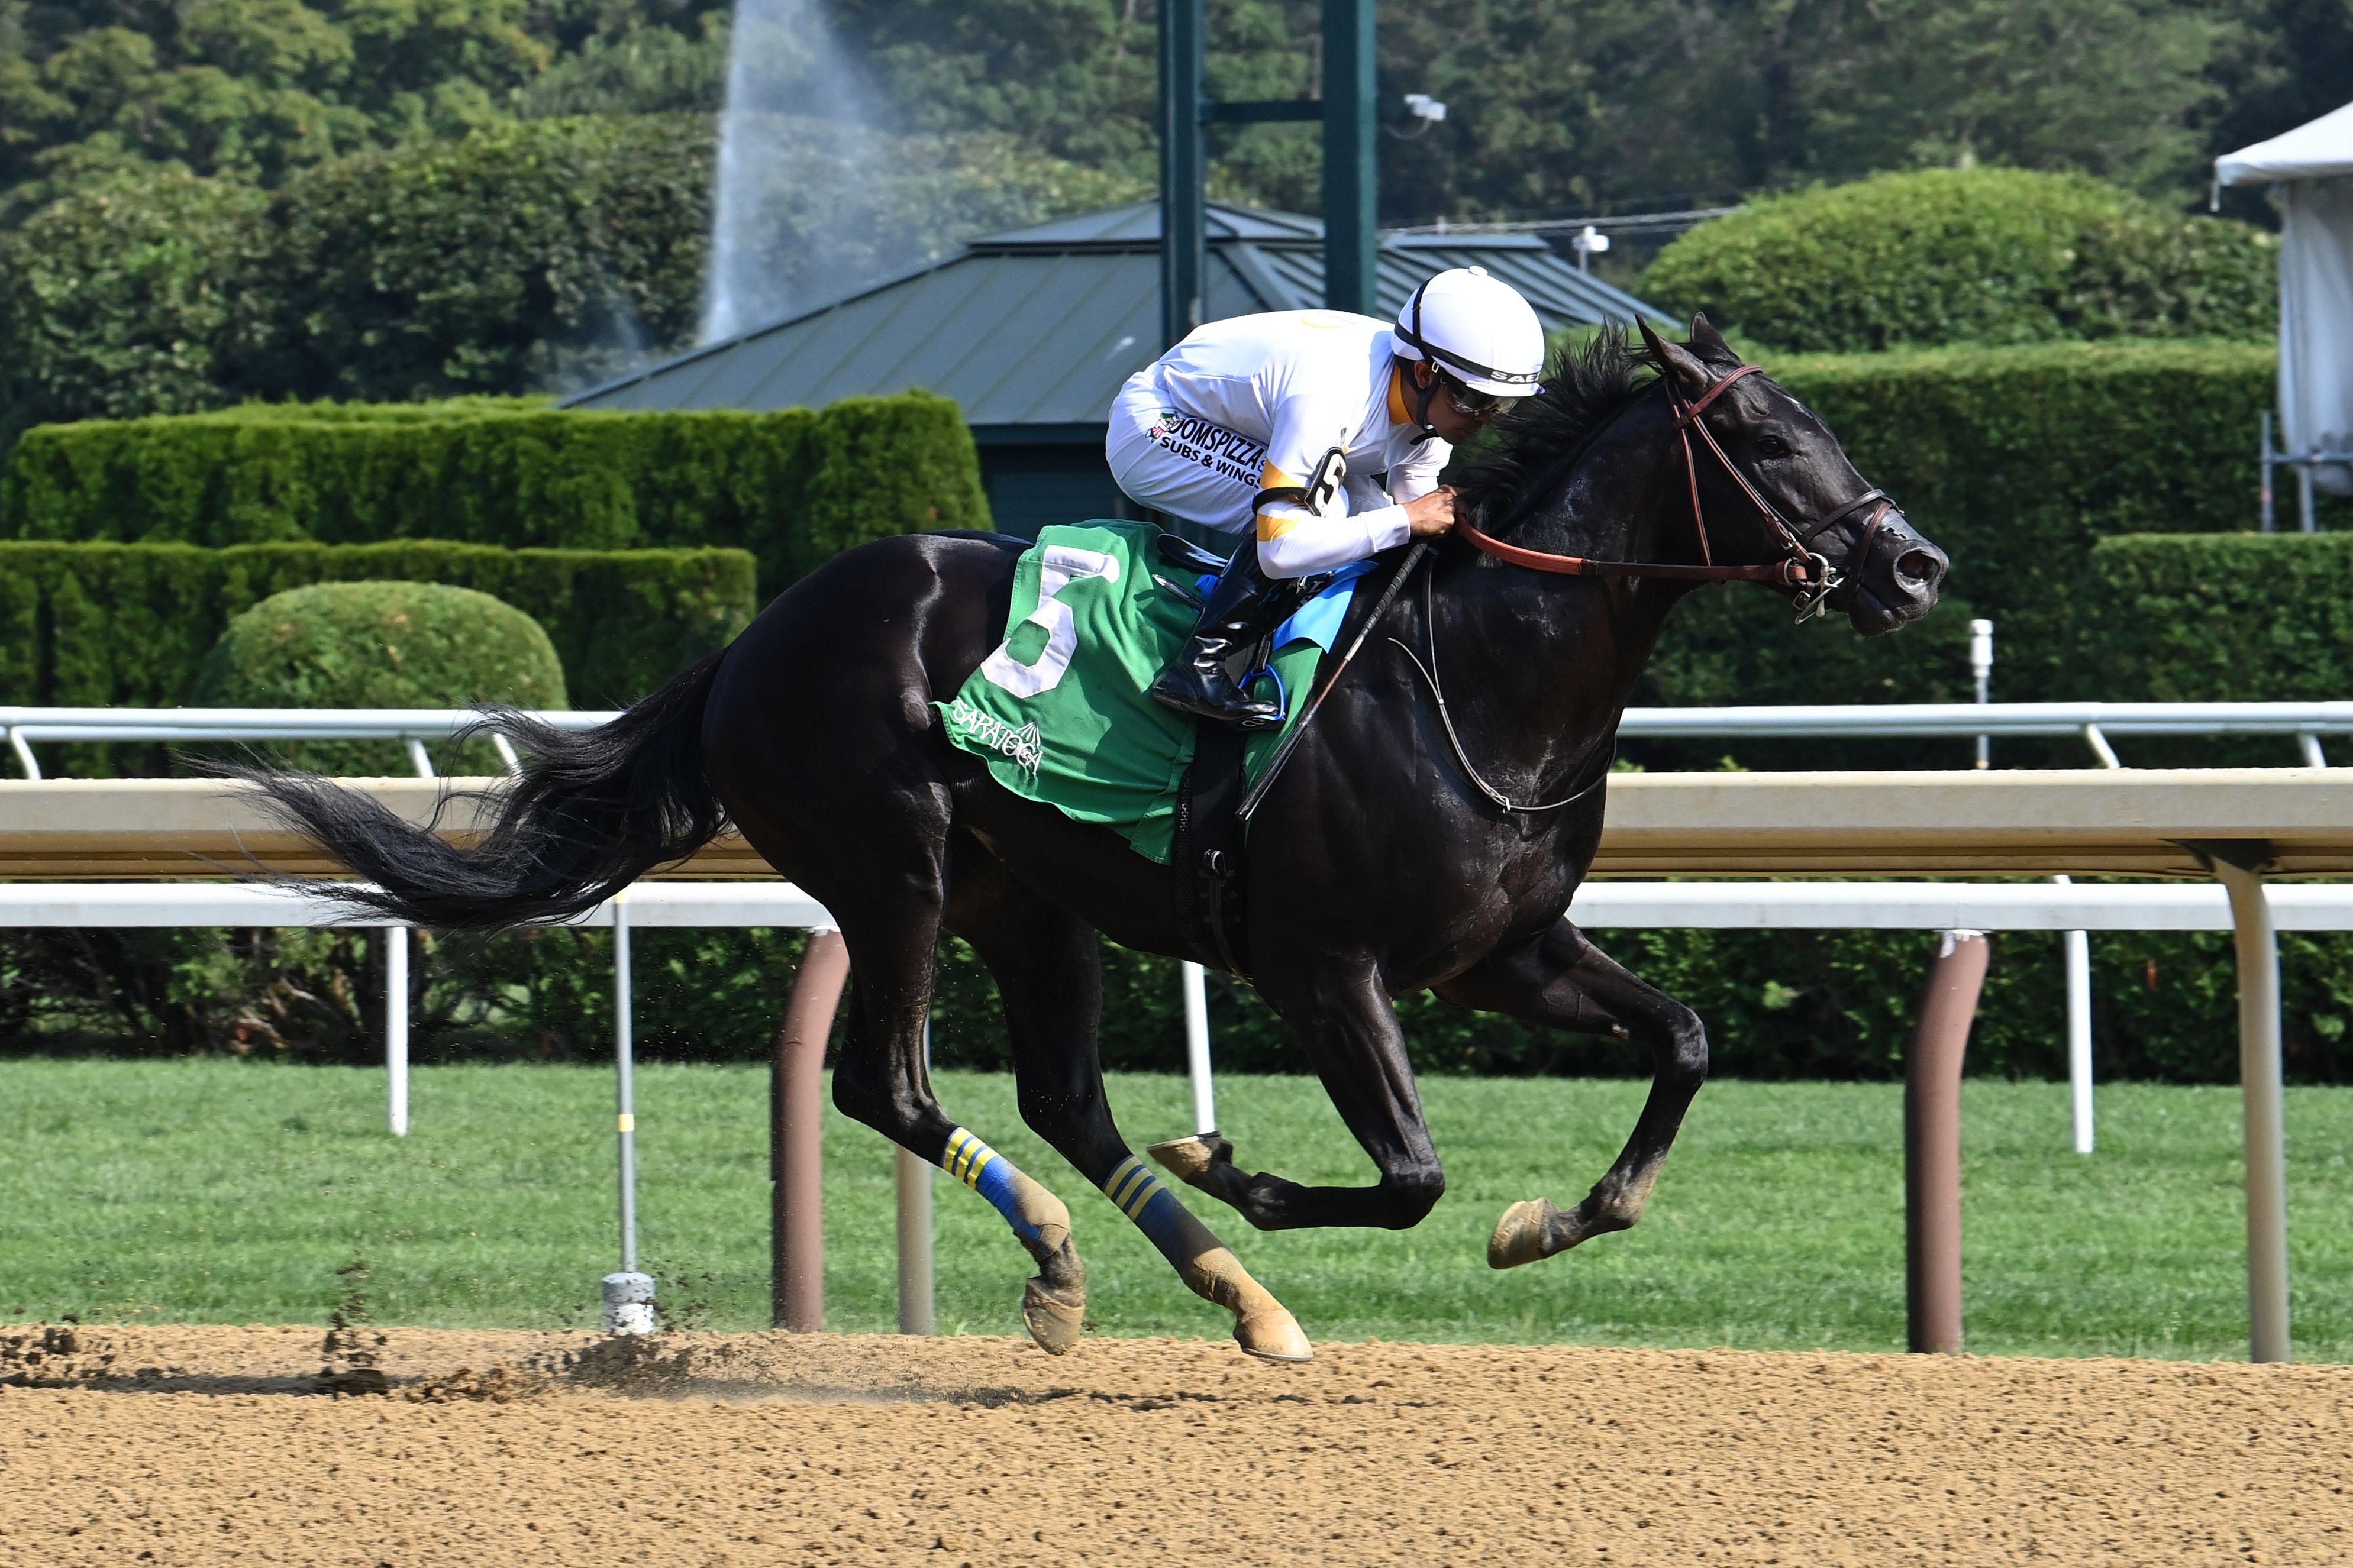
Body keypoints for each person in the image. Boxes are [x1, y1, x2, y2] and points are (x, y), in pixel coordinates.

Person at [1107, 266, 1548, 726]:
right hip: (1156, 426)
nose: (1485, 420)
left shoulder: (1433, 405)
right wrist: (1405, 521)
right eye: (1476, 401)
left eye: (1501, 406)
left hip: (1234, 420)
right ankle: (1199, 665)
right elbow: (1281, 549)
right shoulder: (1332, 394)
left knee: (1374, 514)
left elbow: (1411, 513)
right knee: (1328, 515)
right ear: (1423, 372)